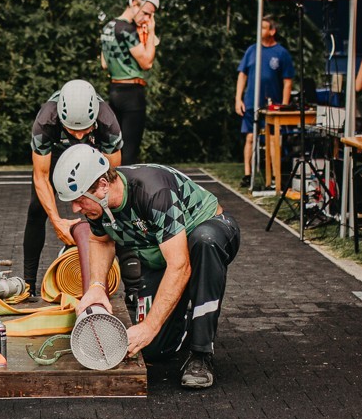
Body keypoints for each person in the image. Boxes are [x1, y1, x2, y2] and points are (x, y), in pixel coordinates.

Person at [55, 144, 240, 390]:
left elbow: (180, 265)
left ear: (102, 185)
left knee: (204, 242)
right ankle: (185, 321)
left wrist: (151, 325)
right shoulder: (98, 204)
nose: (75, 209)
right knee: (151, 348)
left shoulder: (154, 192)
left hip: (210, 233)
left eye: (79, 200)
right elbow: (100, 240)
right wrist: (97, 286)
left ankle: (201, 353)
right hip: (163, 253)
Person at [24, 79, 125, 293]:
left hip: (94, 152)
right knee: (36, 210)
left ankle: (132, 288)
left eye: (84, 129)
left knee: (118, 211)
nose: (79, 136)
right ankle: (28, 283)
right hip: (58, 151)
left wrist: (100, 215)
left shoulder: (107, 123)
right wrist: (57, 221)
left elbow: (113, 178)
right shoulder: (46, 121)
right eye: (72, 130)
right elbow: (41, 177)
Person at [99, 0, 159, 164]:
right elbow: (147, 62)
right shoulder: (128, 30)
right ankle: (128, 183)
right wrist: (152, 31)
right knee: (130, 152)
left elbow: (104, 64)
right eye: (146, 13)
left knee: (114, 147)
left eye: (151, 16)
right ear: (134, 4)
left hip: (114, 90)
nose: (147, 19)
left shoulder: (108, 27)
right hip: (132, 93)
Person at [234, 16, 294, 180]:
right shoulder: (252, 50)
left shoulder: (281, 53)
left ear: (272, 31)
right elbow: (242, 75)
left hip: (272, 104)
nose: (259, 31)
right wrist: (238, 99)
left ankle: (275, 176)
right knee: (250, 137)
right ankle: (248, 174)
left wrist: (284, 106)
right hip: (251, 101)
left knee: (273, 139)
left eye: (263, 28)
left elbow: (288, 82)